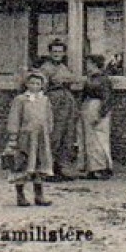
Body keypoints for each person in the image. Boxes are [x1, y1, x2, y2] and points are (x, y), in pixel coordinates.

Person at [3, 70, 54, 207]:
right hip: (25, 137)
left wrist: (48, 132)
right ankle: (20, 196)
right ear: (26, 84)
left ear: (42, 85)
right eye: (32, 83)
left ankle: (39, 195)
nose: (35, 86)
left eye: (38, 83)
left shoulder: (44, 100)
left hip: (40, 138)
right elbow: (14, 118)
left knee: (39, 164)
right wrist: (14, 136)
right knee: (22, 164)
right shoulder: (21, 100)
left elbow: (48, 117)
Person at [40, 40, 83, 180]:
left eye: (60, 51)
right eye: (54, 51)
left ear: (64, 53)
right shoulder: (45, 68)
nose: (57, 54)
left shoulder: (64, 67)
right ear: (50, 53)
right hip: (54, 103)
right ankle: (47, 169)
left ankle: (61, 167)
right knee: (54, 135)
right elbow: (41, 87)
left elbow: (73, 80)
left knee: (67, 135)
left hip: (67, 103)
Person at [79, 53, 115, 179]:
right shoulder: (90, 78)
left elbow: (108, 98)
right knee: (89, 139)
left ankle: (102, 167)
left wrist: (101, 114)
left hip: (97, 107)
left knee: (99, 138)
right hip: (88, 107)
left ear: (95, 64)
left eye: (89, 63)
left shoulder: (103, 79)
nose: (87, 65)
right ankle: (92, 167)